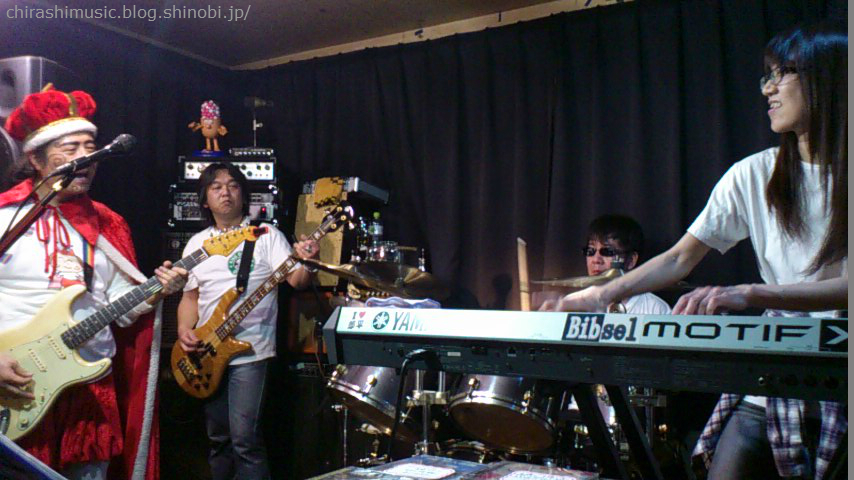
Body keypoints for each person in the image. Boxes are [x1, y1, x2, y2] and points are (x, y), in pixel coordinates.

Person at [550, 23, 847, 479]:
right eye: (765, 77)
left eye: (781, 74)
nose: (767, 89)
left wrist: (750, 294)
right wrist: (598, 295)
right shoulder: (753, 174)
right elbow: (678, 258)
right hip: (774, 383)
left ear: (827, 78)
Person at [0, 85, 188, 479]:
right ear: (35, 157)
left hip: (89, 386)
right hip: (15, 380)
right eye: (70, 148)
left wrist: (156, 291)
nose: (85, 157)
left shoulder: (108, 223)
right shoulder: (6, 217)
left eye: (91, 147)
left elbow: (122, 308)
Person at [176, 163, 319, 479]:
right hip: (207, 352)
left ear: (244, 194)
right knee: (219, 440)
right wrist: (185, 330)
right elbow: (190, 298)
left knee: (245, 440)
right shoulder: (196, 244)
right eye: (216, 187)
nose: (225, 192)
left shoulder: (266, 235)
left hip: (251, 351)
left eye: (233, 185)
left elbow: (297, 280)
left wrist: (309, 261)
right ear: (204, 200)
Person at [581, 214, 670, 314]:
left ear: (631, 260)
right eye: (591, 251)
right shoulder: (576, 305)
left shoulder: (655, 309)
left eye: (607, 251)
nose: (596, 259)